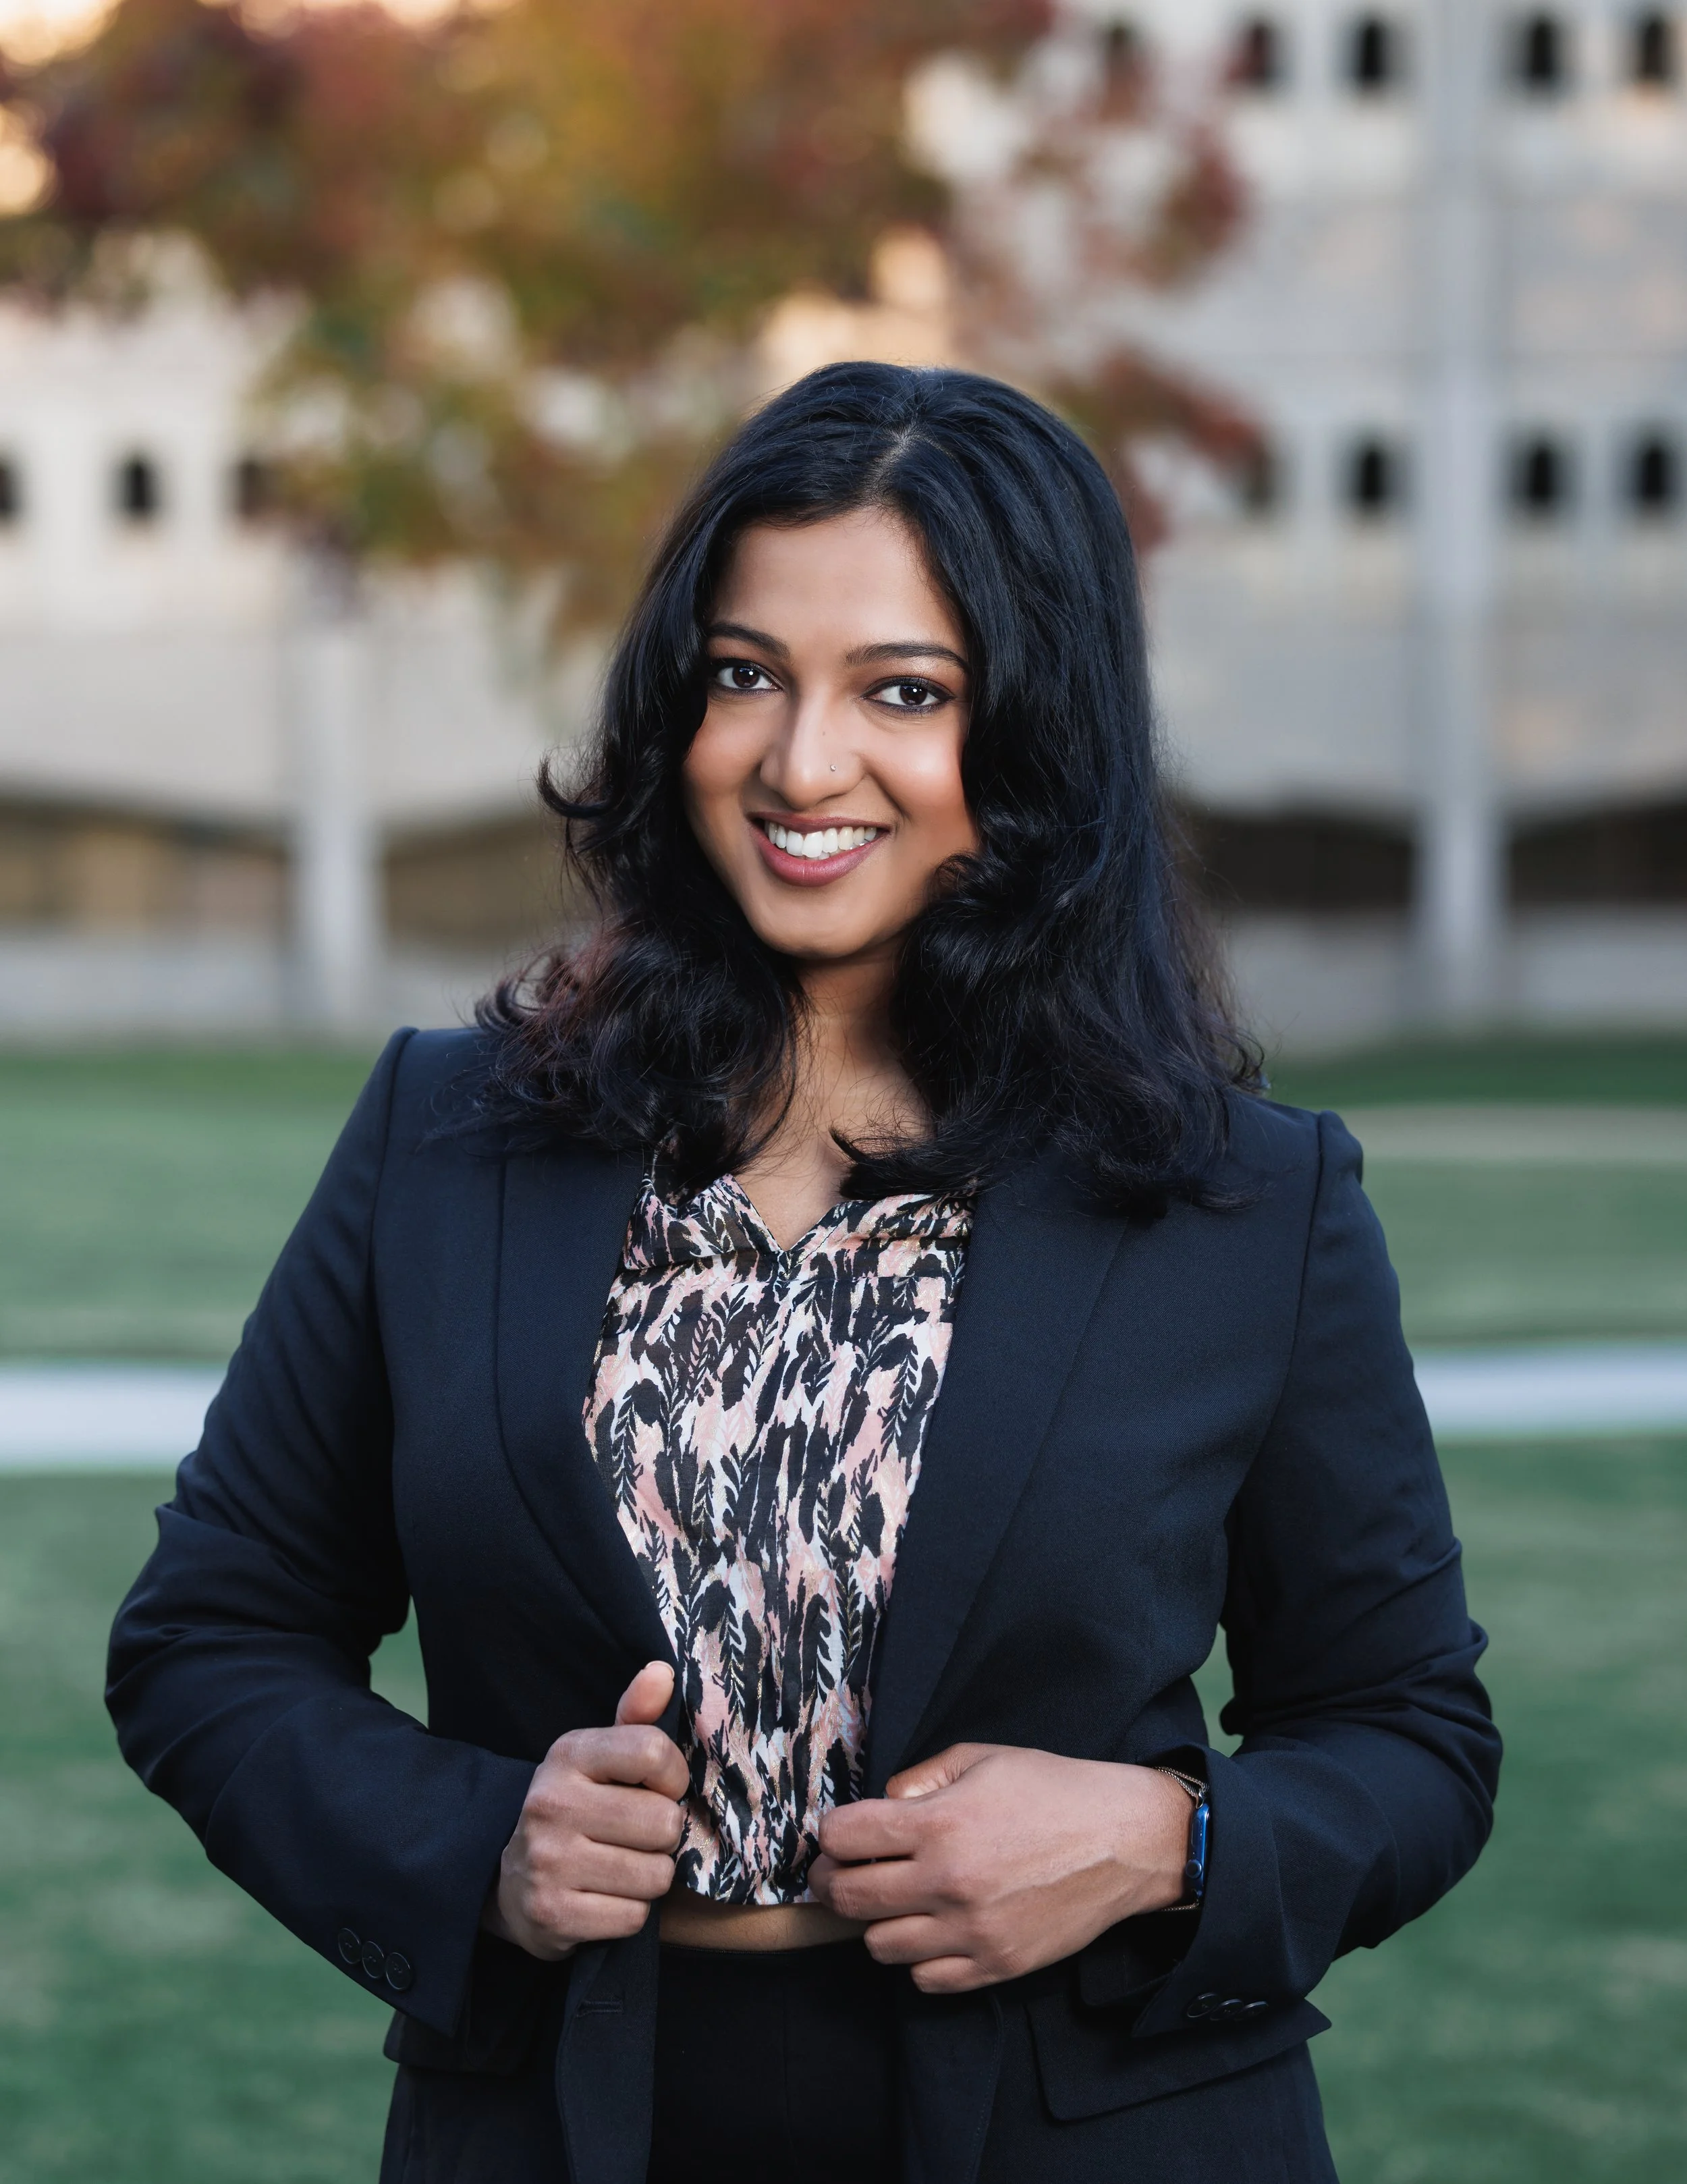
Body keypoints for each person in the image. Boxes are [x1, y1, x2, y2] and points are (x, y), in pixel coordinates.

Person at [107, 362, 1500, 2184]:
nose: (799, 762)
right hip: (560, 2128)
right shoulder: (448, 1136)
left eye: (903, 691)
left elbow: (1409, 1737)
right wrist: (482, 1847)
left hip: (1087, 2135)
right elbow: (211, 1638)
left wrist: (1159, 1840)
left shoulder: (1248, 1202)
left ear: (1034, 737)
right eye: (746, 673)